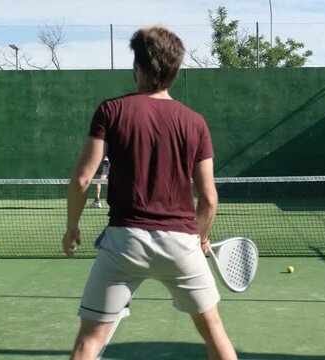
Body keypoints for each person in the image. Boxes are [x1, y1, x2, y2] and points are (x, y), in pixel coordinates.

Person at [62, 26, 238, 360]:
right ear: (175, 70)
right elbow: (209, 198)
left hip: (124, 243)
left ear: (137, 68)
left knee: (89, 340)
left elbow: (83, 180)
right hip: (182, 245)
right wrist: (200, 237)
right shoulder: (195, 122)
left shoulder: (110, 111)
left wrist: (72, 227)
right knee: (214, 330)